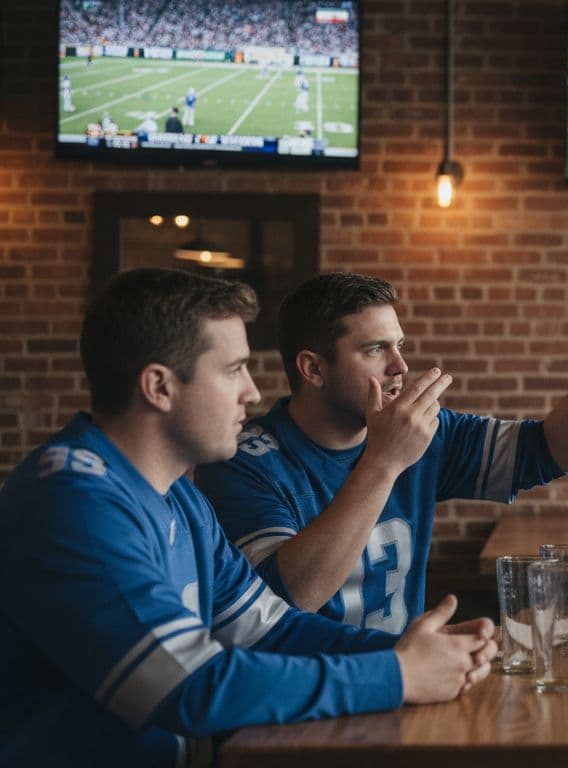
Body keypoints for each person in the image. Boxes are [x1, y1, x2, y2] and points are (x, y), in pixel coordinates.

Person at [0, 269, 496, 767]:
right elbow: (190, 687)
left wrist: (411, 652)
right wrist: (398, 675)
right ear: (158, 387)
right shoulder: (73, 502)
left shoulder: (180, 498)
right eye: (233, 369)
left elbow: (272, 630)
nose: (253, 393)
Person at [196, 273, 568, 631]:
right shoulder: (242, 463)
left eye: (398, 345)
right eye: (376, 350)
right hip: (300, 708)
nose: (400, 366)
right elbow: (289, 601)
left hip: (404, 681)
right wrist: (384, 462)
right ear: (313, 368)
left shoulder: (420, 432)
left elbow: (555, 451)